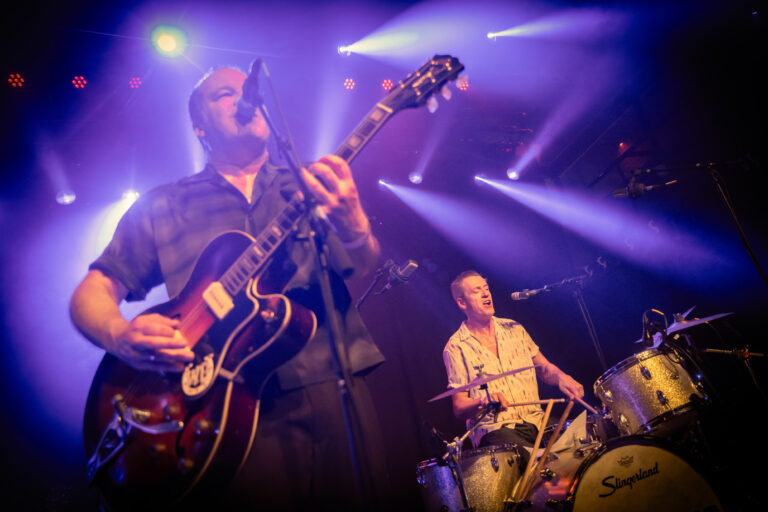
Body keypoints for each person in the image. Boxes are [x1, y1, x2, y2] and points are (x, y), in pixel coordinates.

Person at [70, 67, 389, 509]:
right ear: (199, 127)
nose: (245, 100)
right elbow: (92, 290)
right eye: (225, 94)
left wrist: (355, 226)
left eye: (249, 92)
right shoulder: (165, 204)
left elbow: (365, 265)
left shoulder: (309, 186)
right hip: (223, 409)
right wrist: (120, 336)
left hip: (336, 388)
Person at [442, 270, 584, 450]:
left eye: (486, 288)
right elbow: (459, 407)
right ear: (462, 302)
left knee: (579, 443)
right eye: (477, 291)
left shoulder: (514, 328)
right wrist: (482, 402)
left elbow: (544, 369)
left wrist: (562, 377)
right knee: (523, 459)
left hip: (537, 422)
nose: (486, 293)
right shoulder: (456, 347)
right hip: (497, 429)